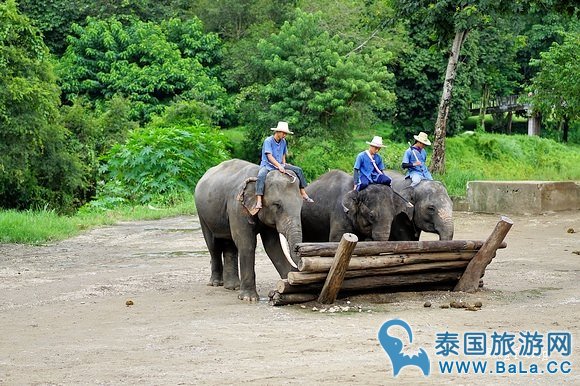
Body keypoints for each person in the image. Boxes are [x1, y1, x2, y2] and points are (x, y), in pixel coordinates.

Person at [254, 121, 313, 212]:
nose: (285, 135)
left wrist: (283, 165)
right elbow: (269, 156)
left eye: (286, 133)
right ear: (278, 132)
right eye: (283, 133)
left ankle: (303, 192)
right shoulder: (268, 141)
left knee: (298, 170)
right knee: (261, 175)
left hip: (280, 164)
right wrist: (279, 166)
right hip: (268, 165)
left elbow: (283, 154)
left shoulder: (284, 141)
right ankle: (259, 199)